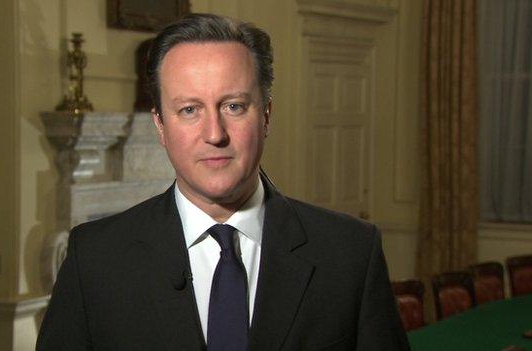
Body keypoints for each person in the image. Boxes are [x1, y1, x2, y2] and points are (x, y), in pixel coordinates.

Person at [36, 13, 409, 351]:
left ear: (265, 116)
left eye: (233, 106)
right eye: (189, 110)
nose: (214, 134)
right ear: (160, 126)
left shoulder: (350, 255)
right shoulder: (95, 259)